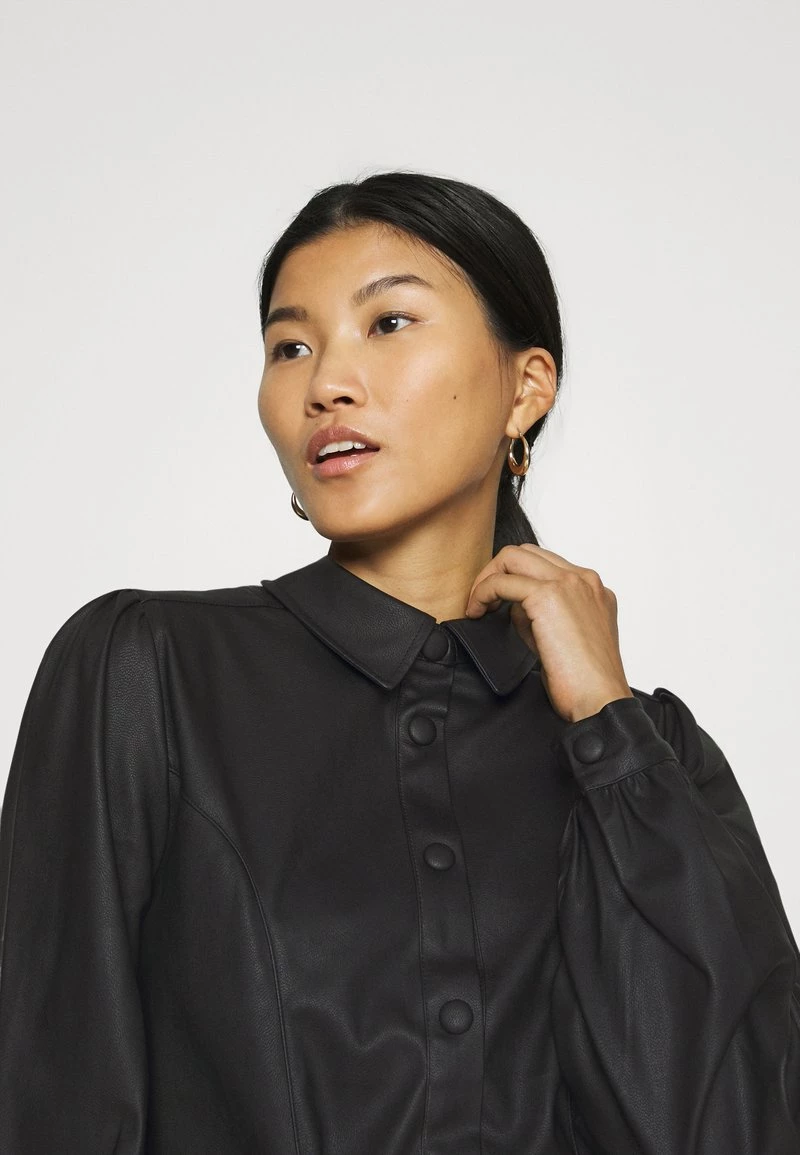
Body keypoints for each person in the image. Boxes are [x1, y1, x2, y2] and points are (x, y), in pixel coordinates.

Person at [0, 170, 797, 1155]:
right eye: (290, 347)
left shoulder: (650, 755)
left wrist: (605, 719)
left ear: (524, 389)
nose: (325, 383)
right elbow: (57, 1095)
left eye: (388, 324)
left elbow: (734, 1125)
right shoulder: (146, 671)